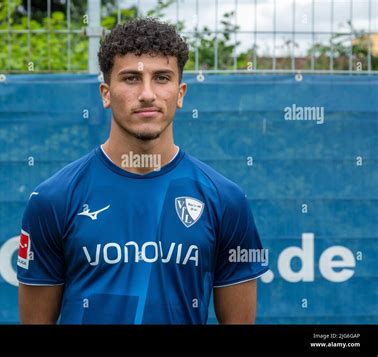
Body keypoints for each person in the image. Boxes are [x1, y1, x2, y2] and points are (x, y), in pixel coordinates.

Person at [17, 17, 268, 324]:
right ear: (106, 93)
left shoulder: (226, 200)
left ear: (180, 93)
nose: (147, 93)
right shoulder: (53, 199)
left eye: (162, 78)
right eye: (131, 79)